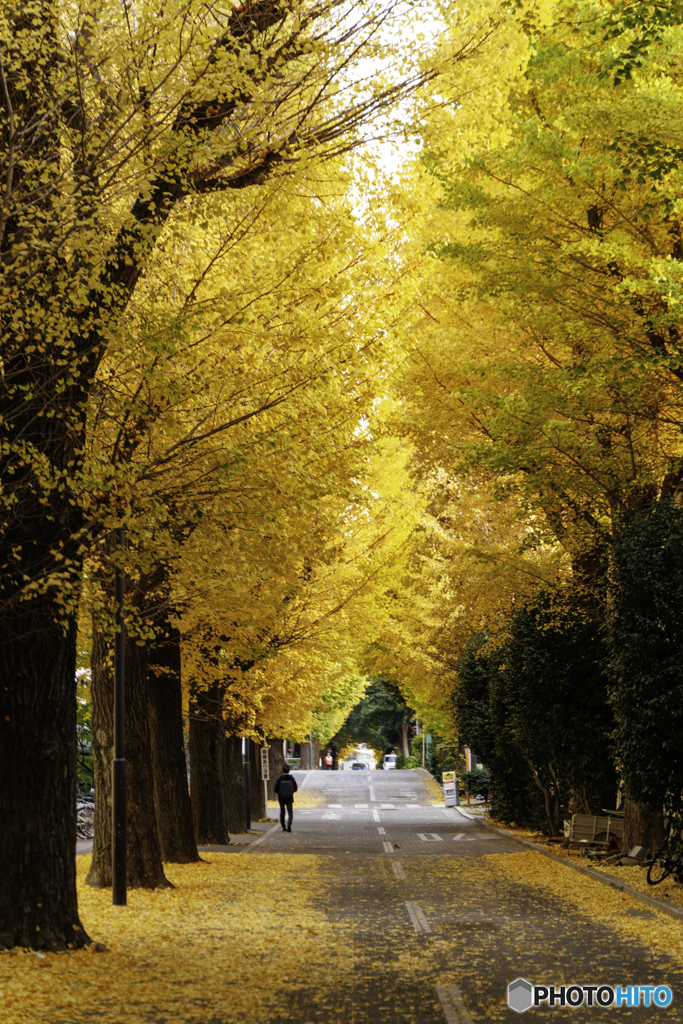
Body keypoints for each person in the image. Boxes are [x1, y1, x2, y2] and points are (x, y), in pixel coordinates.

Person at [274, 763, 298, 832]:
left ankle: (283, 827)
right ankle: (289, 823)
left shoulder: (279, 779)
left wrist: (280, 792)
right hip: (289, 798)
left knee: (282, 811)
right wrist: (290, 792)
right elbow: (295, 788)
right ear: (289, 771)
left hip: (281, 797)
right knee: (290, 811)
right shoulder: (291, 778)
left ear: (282, 770)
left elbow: (275, 789)